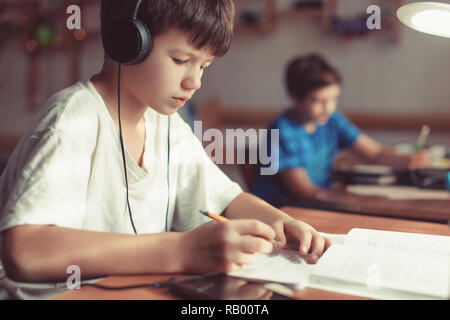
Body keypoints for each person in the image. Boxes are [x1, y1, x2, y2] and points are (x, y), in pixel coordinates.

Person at [0, 1, 330, 299]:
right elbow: (26, 250)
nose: (195, 82)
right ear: (128, 43)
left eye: (204, 66)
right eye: (181, 60)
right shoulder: (74, 121)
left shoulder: (167, 126)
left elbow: (225, 201)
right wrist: (180, 250)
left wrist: (282, 222)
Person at [252, 54, 430, 205]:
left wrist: (406, 160)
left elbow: (375, 152)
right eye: (318, 101)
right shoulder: (281, 133)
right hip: (286, 212)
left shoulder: (332, 120)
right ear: (294, 97)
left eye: (333, 99)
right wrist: (357, 199)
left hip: (318, 205)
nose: (328, 107)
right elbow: (304, 193)